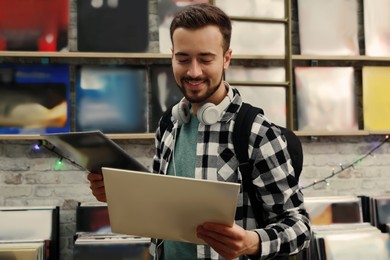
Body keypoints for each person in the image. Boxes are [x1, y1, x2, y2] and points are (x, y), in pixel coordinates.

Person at [88, 3, 311, 259]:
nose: (193, 71)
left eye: (206, 59)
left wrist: (253, 242)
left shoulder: (258, 133)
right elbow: (164, 209)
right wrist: (119, 195)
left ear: (226, 57)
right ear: (172, 55)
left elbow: (300, 227)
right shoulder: (168, 125)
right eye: (183, 59)